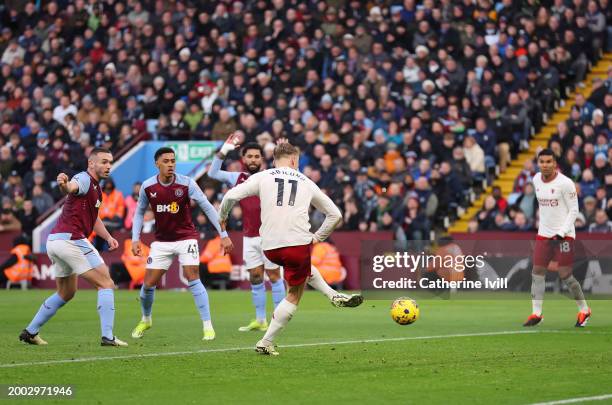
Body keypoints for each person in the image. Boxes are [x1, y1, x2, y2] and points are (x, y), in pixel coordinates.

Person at [209, 133, 362, 332]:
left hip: (269, 238)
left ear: (266, 160)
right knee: (258, 276)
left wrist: (223, 218)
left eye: (257, 156)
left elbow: (229, 197)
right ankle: (262, 320)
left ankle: (325, 298)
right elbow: (213, 173)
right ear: (243, 159)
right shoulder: (240, 177)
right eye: (250, 157)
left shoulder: (264, 176)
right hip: (255, 236)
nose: (254, 160)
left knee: (277, 274)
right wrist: (224, 151)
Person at [19, 148, 128, 346]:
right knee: (106, 283)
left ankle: (30, 332)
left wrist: (108, 236)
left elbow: (94, 220)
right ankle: (108, 337)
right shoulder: (84, 179)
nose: (108, 166)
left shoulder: (97, 189)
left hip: (56, 241)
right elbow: (71, 188)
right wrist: (64, 184)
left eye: (110, 162)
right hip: (72, 240)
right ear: (91, 163)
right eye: (103, 162)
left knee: (66, 292)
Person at [130, 147, 233, 341]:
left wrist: (224, 234)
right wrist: (135, 238)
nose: (171, 164)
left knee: (193, 276)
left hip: (186, 238)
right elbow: (139, 213)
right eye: (166, 161)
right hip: (161, 242)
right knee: (148, 285)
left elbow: (209, 208)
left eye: (173, 161)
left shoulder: (187, 184)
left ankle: (208, 326)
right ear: (157, 164)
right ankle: (146, 319)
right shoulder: (148, 186)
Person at [524, 149, 590, 328]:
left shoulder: (565, 183)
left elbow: (574, 210)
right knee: (537, 272)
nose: (545, 165)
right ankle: (536, 314)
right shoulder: (536, 179)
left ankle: (584, 309)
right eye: (542, 162)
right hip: (544, 234)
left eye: (548, 162)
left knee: (565, 275)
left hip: (564, 235)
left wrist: (561, 232)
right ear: (538, 163)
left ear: (555, 164)